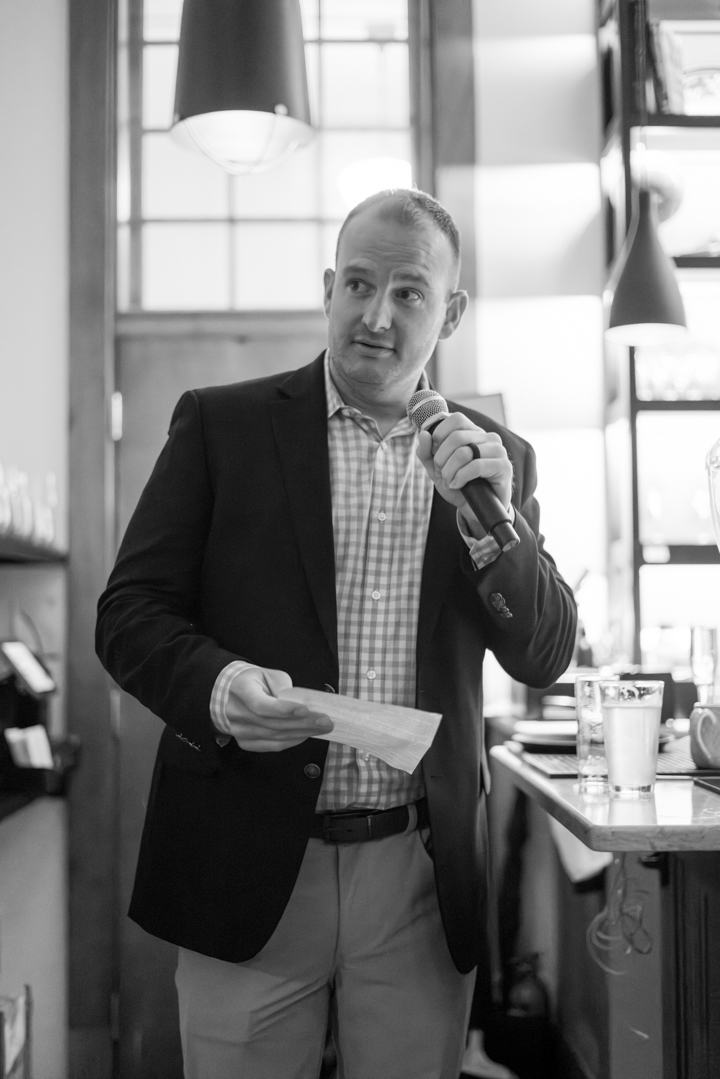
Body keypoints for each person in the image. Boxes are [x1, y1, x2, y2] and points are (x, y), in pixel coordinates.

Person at [96, 189, 576, 1079]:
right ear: (327, 288)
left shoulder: (493, 457)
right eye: (358, 283)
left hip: (419, 869)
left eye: (409, 292)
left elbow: (544, 654)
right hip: (246, 850)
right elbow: (128, 612)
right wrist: (220, 687)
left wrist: (496, 526)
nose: (377, 315)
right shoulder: (221, 425)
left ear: (451, 313)